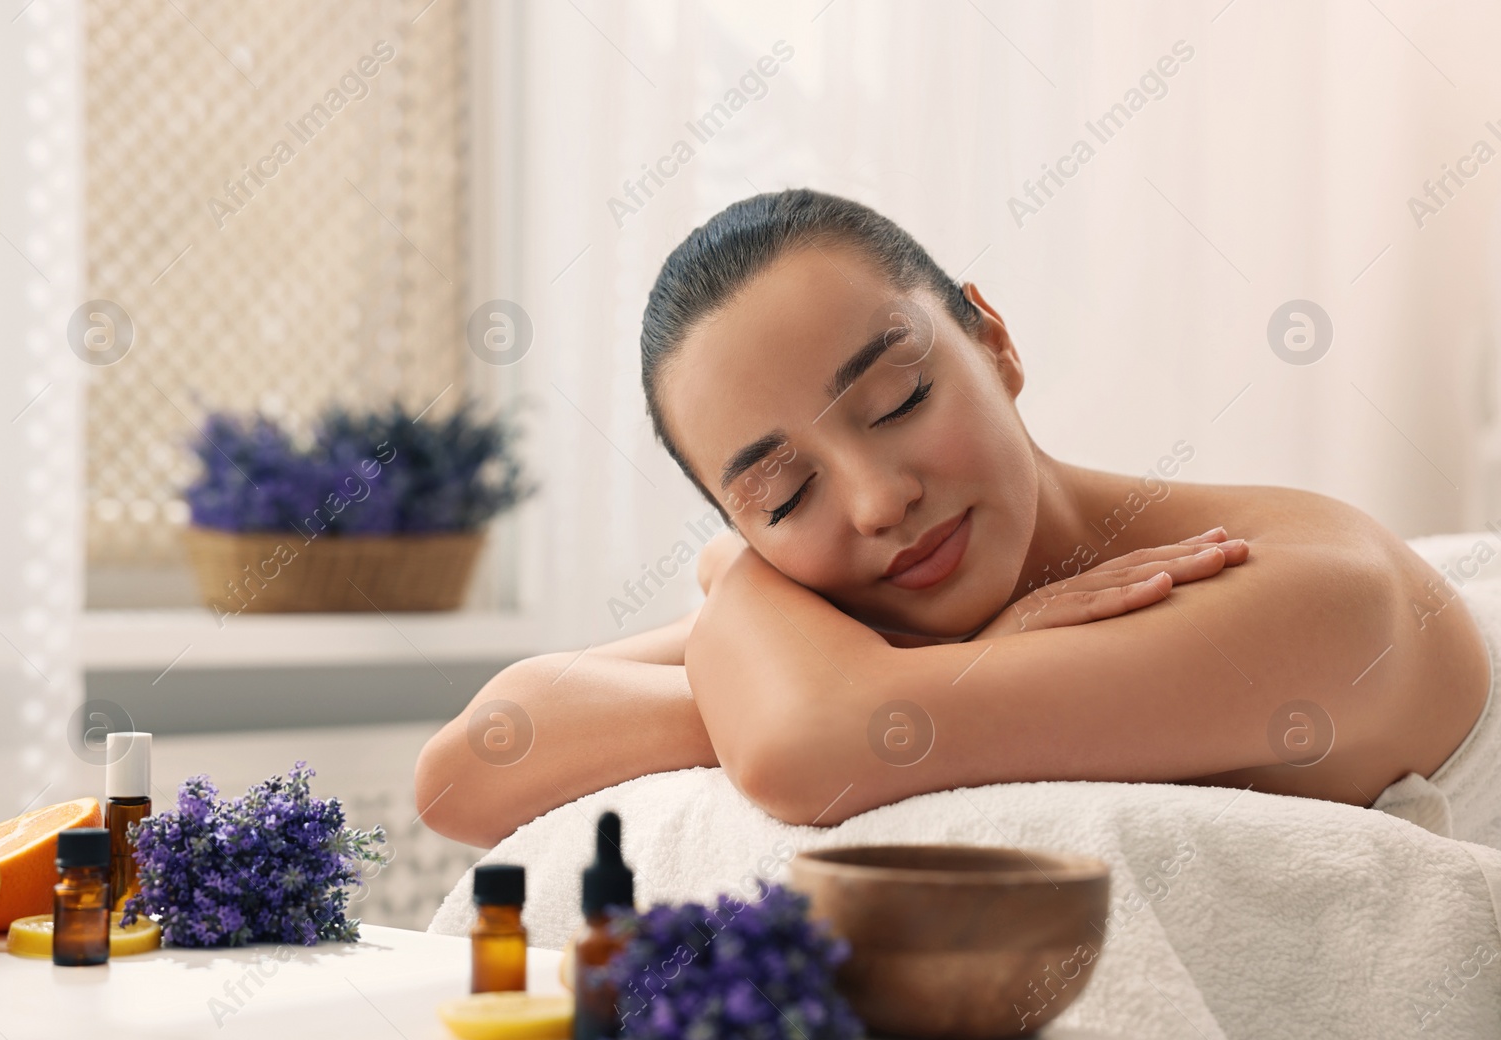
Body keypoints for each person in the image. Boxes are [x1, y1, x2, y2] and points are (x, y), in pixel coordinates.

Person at [416, 188, 1491, 850]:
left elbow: (804, 739)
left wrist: (749, 600)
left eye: (898, 401)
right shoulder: (879, 620)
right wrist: (969, 653)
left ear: (992, 340)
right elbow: (470, 766)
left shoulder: (1317, 588)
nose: (880, 502)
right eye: (784, 496)